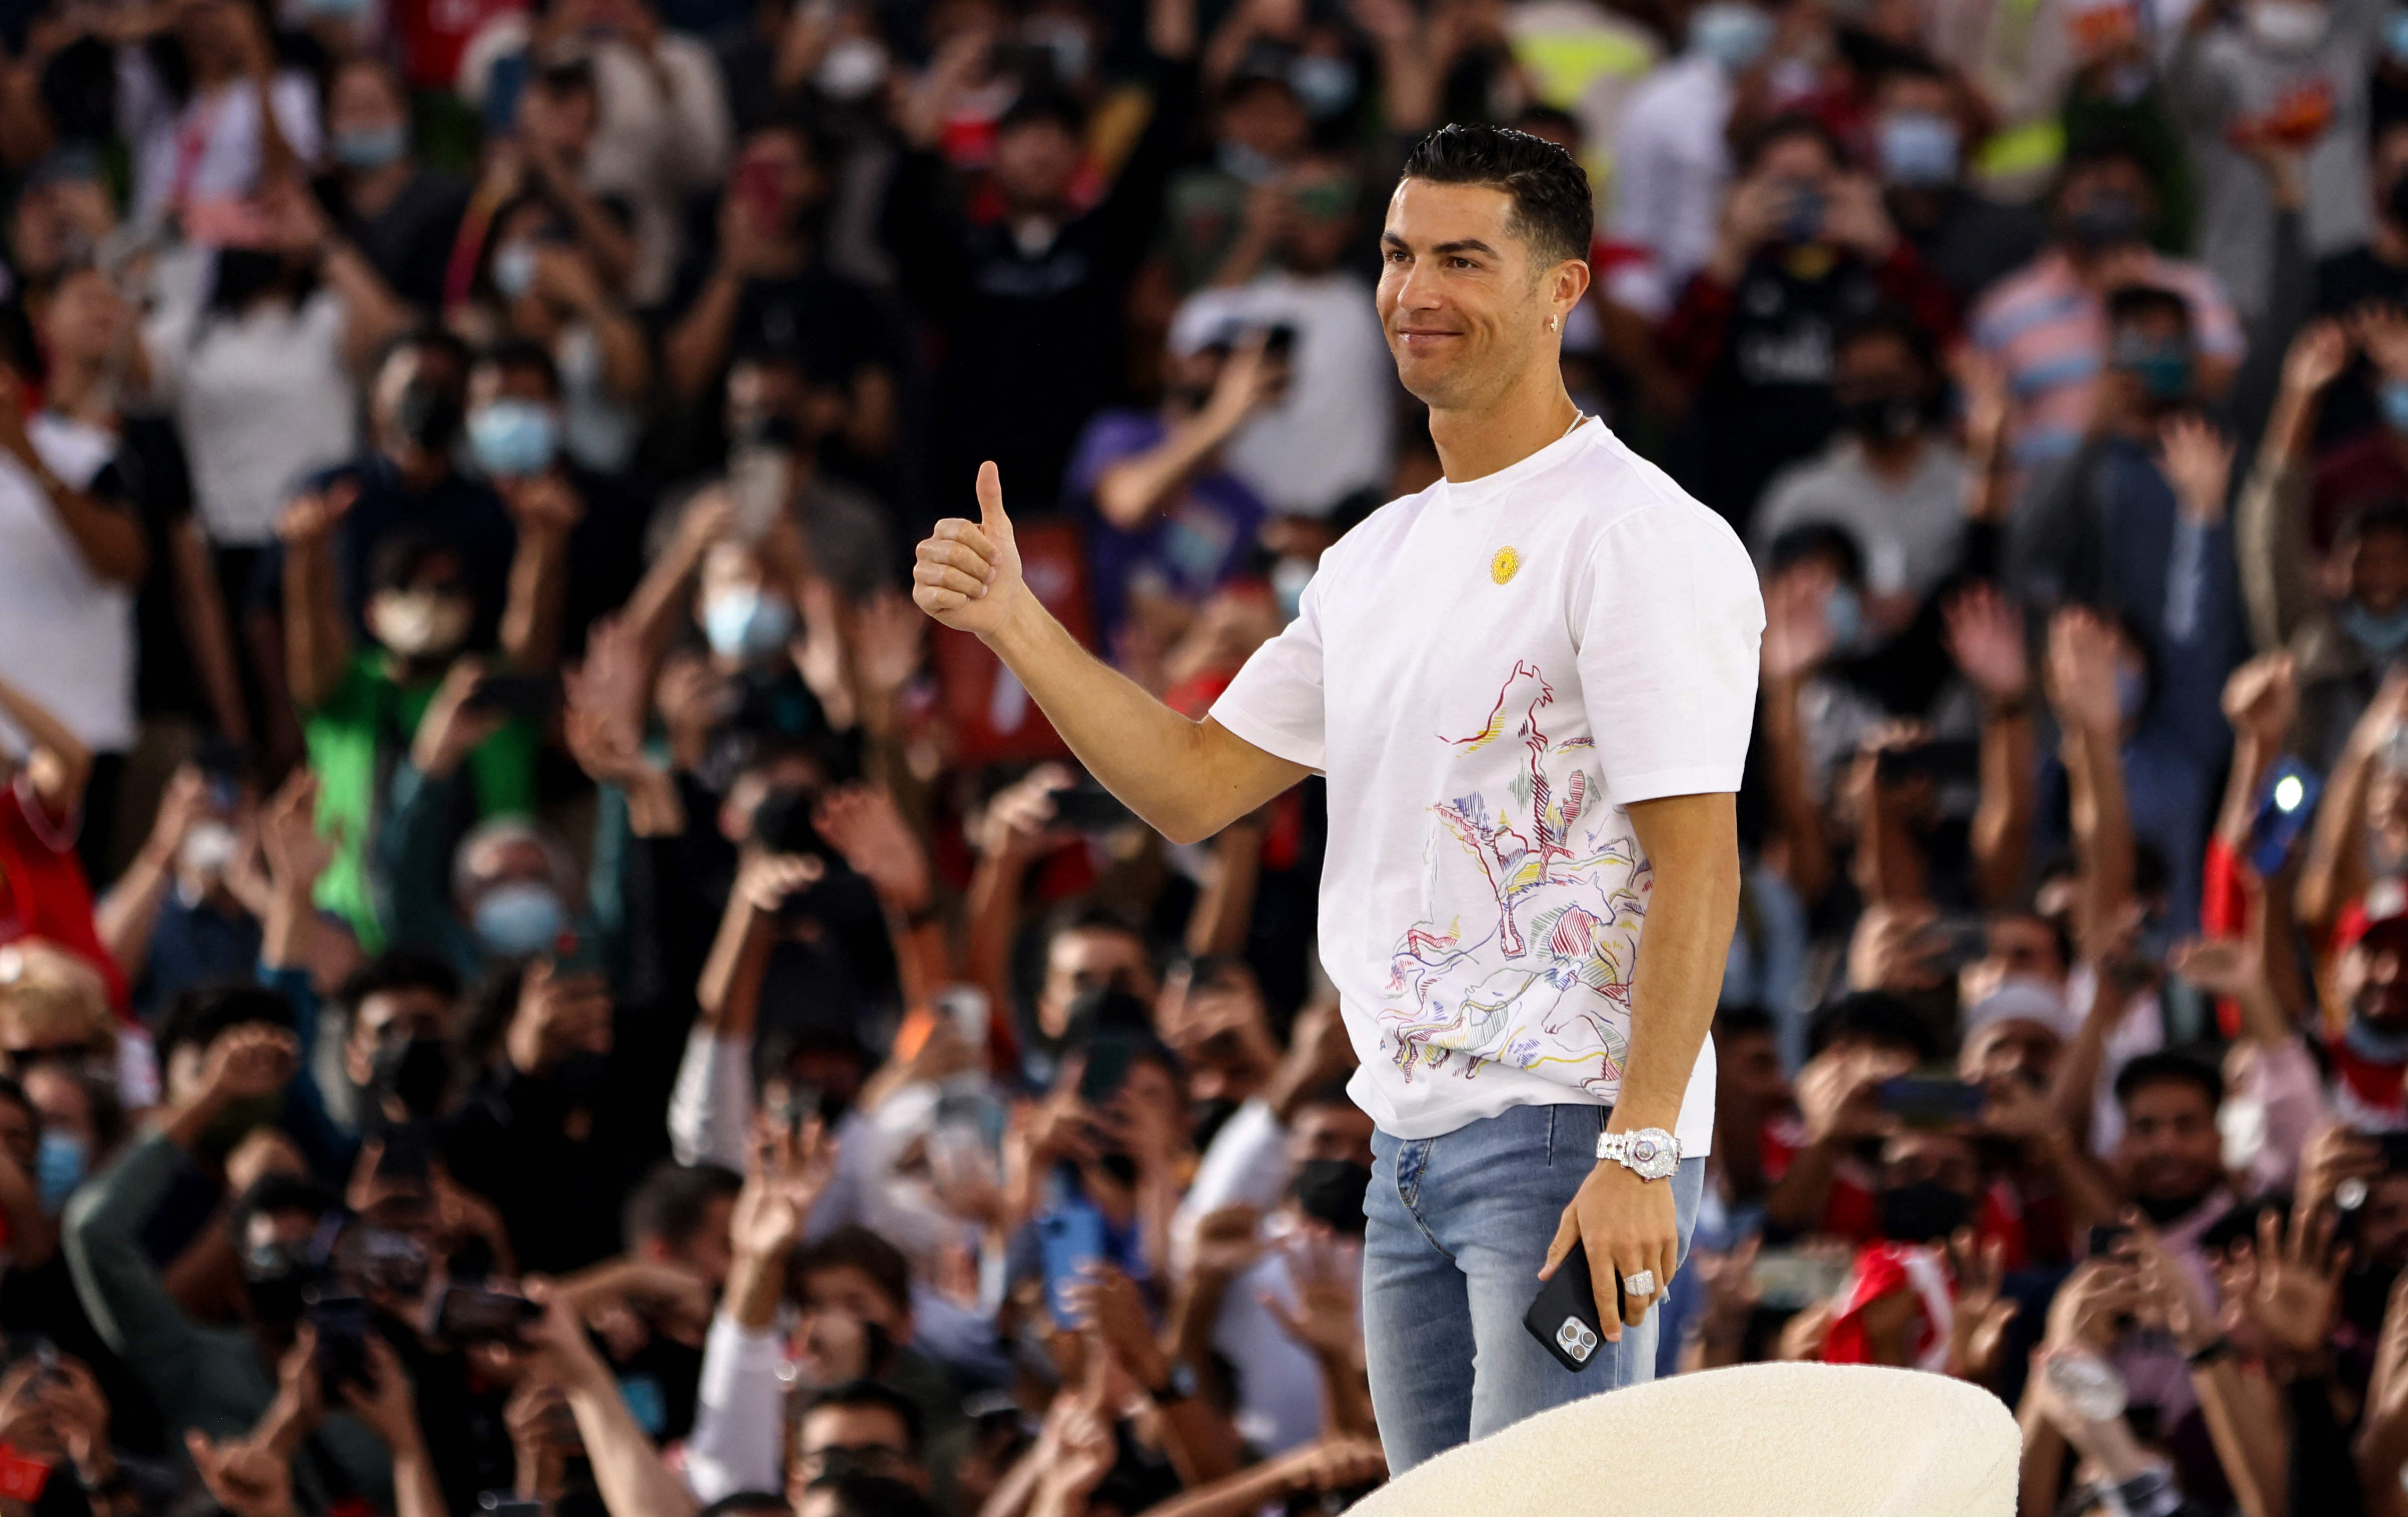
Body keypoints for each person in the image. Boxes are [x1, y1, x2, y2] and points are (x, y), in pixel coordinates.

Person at [910, 123, 1761, 1470]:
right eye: (1397, 253)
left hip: (1564, 1139)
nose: (1414, 289)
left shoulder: (1637, 537)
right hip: (1403, 1154)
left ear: (1561, 290)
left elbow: (1699, 862)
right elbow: (1191, 787)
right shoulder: (1371, 558)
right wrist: (1019, 625)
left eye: (1461, 258)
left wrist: (1642, 1154)